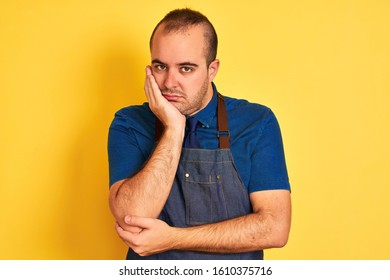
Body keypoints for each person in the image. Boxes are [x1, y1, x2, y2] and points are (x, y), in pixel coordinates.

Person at [108, 8, 291, 260]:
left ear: (212, 69)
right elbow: (132, 215)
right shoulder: (129, 123)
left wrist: (172, 238)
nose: (169, 83)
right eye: (160, 66)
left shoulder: (256, 122)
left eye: (186, 69)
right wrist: (174, 128)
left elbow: (275, 228)